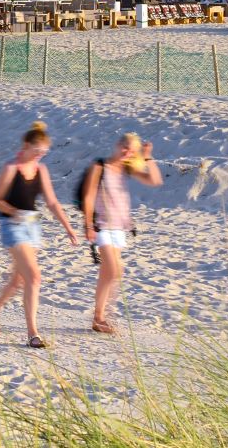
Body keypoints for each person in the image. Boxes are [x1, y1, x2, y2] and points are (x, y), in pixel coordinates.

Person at [0, 122, 80, 348]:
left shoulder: (41, 170)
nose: (39, 156)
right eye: (37, 152)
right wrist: (14, 211)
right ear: (26, 146)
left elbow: (52, 202)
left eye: (43, 153)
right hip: (12, 225)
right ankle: (32, 334)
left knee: (19, 280)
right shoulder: (11, 168)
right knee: (34, 277)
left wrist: (69, 228)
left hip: (32, 227)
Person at [82, 132, 163, 334]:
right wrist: (88, 225)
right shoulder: (99, 166)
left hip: (119, 228)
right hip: (101, 226)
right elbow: (89, 196)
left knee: (108, 274)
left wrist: (147, 157)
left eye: (131, 150)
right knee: (115, 270)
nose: (127, 152)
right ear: (118, 145)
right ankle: (102, 316)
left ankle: (98, 318)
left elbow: (154, 181)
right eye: (125, 147)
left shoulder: (126, 169)